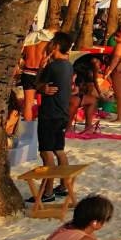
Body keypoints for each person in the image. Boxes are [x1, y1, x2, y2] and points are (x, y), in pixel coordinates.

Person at [35, 32, 74, 203]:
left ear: (56, 46)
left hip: (50, 114)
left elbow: (36, 83)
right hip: (62, 113)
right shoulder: (68, 65)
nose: (49, 44)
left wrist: (42, 67)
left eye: (51, 42)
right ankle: (64, 186)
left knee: (46, 152)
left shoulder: (53, 67)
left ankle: (48, 191)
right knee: (59, 150)